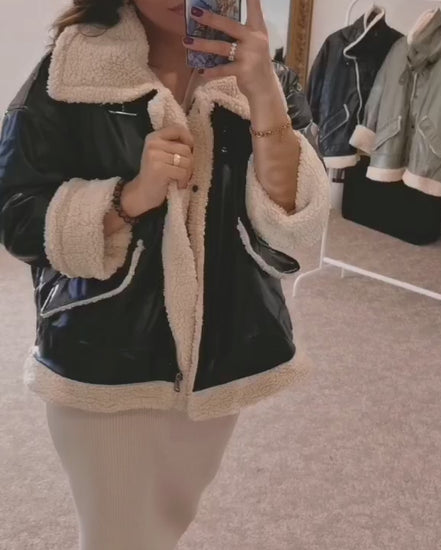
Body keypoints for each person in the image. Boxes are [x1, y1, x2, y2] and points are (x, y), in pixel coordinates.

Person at [0, 0, 330, 548]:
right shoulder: (72, 68)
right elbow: (16, 215)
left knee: (164, 527)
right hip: (104, 360)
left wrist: (264, 96)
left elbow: (293, 230)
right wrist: (127, 199)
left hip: (216, 363)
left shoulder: (264, 79)